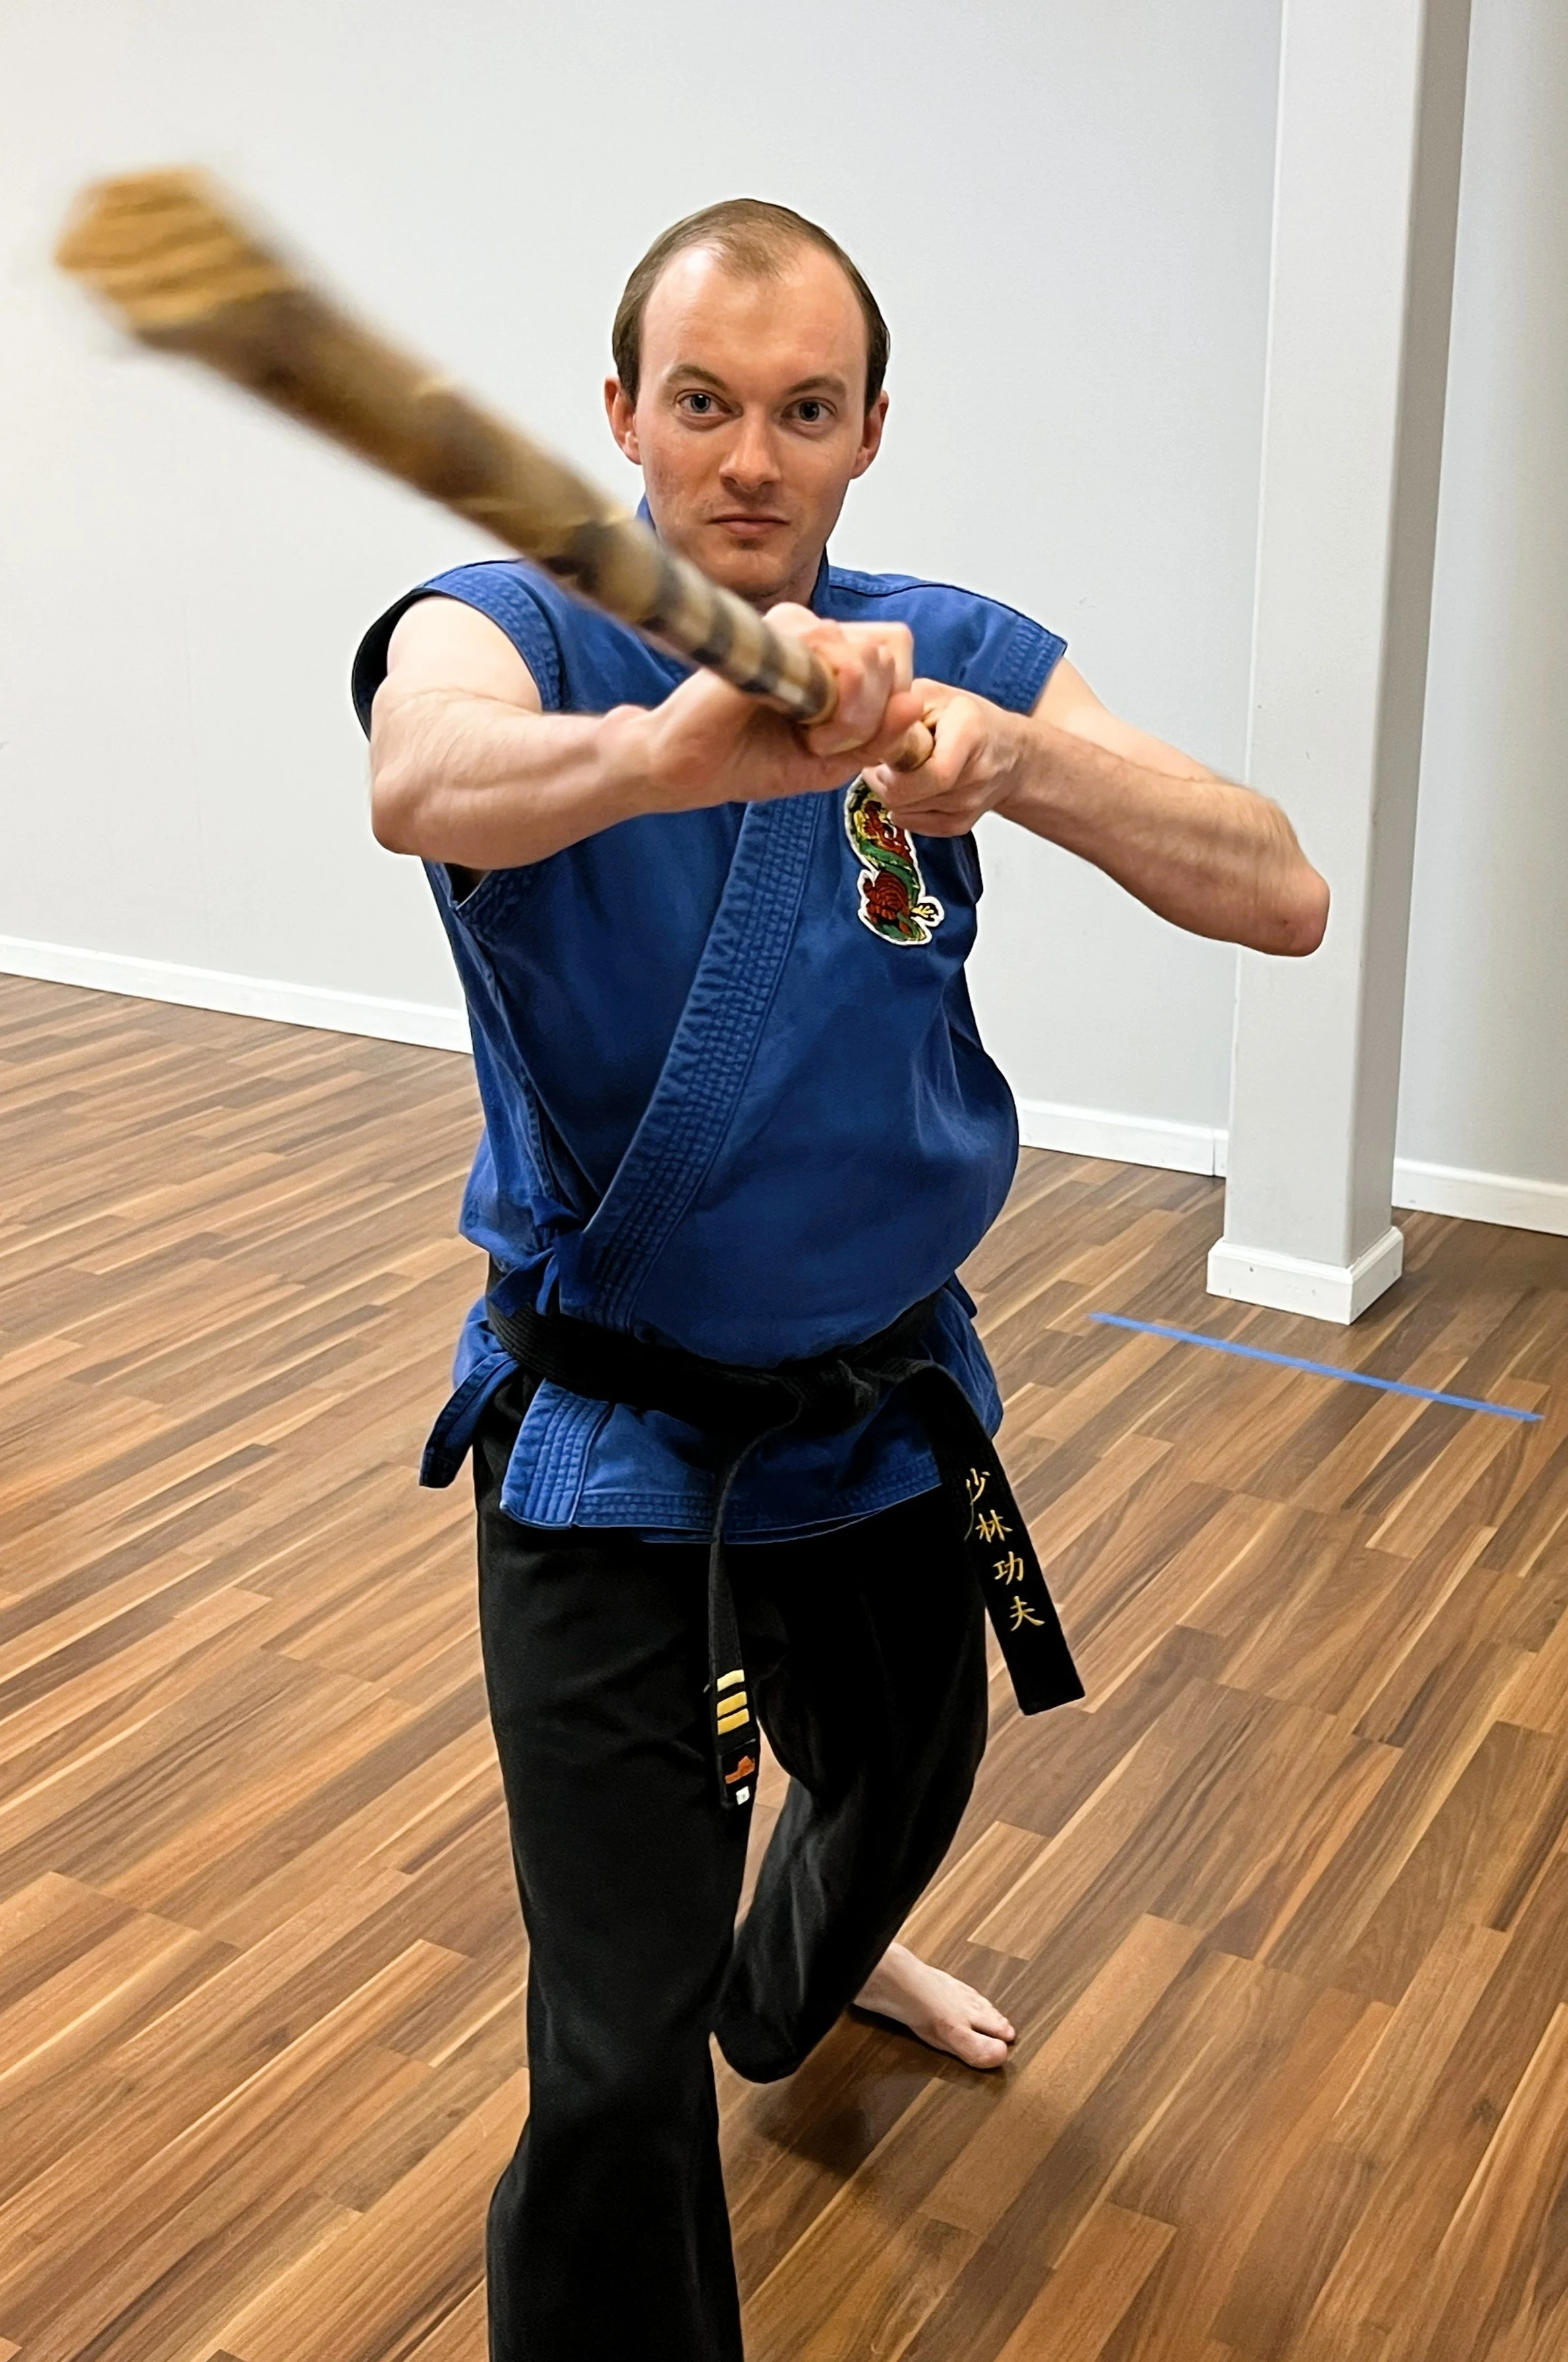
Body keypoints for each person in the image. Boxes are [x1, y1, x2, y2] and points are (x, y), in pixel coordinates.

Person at [351, 198, 1327, 2362]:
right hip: (614, 1452)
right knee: (614, 2064)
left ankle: (803, 1978)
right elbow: (425, 781)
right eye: (701, 402)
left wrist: (1022, 760)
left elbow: (1282, 892)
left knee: (900, 1782)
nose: (750, 457)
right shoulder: (507, 619)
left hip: (879, 1409)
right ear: (623, 414)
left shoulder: (944, 638)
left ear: (872, 430)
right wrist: (679, 754)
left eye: (805, 410)